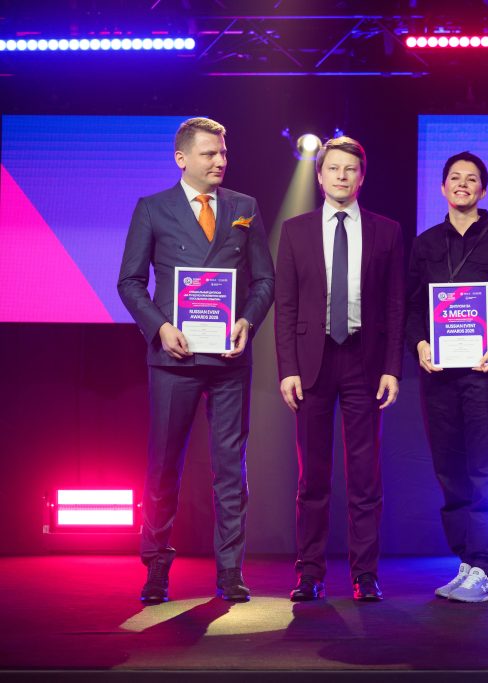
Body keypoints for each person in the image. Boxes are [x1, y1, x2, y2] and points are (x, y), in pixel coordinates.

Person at [117, 116, 275, 604]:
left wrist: (247, 321)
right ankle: (156, 567)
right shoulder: (152, 208)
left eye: (223, 152)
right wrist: (160, 328)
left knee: (231, 469)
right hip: (173, 359)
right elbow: (129, 282)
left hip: (229, 359)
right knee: (164, 466)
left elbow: (265, 281)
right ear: (181, 158)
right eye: (209, 153)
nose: (220, 160)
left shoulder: (245, 207)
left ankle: (230, 572)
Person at [275, 136, 405, 602]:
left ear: (362, 176)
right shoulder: (295, 230)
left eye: (351, 169)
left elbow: (395, 305)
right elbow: (286, 305)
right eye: (333, 168)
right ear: (319, 174)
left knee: (364, 477)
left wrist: (392, 368)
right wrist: (287, 368)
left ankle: (365, 575)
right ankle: (309, 573)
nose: (342, 176)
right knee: (312, 477)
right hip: (311, 363)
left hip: (364, 362)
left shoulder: (387, 231)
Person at [405, 152, 488, 602]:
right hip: (438, 376)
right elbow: (413, 306)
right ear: (442, 187)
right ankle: (467, 561)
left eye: (472, 179)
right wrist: (420, 344)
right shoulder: (425, 243)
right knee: (450, 470)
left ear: (483, 190)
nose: (462, 184)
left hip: (485, 373)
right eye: (454, 177)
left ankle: (487, 568)